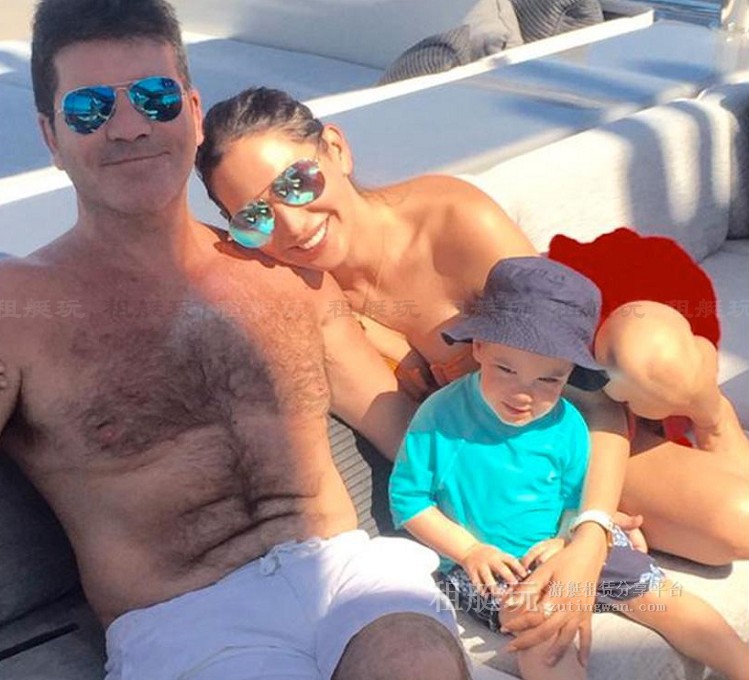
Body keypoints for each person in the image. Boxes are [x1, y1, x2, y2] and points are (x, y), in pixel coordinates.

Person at [0, 2, 475, 679]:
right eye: (89, 109)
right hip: (184, 618)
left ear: (193, 113)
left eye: (156, 98)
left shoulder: (282, 274)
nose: (129, 126)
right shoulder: (19, 309)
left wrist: (560, 529)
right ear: (51, 136)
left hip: (345, 572)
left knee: (414, 660)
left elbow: (403, 432)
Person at [195, 85, 749, 662]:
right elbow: (415, 448)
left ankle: (715, 421)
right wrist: (537, 533)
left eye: (295, 182)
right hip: (524, 462)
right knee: (736, 524)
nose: (291, 224)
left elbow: (590, 396)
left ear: (335, 148)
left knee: (649, 360)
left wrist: (590, 533)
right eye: (255, 216)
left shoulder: (451, 220)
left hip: (589, 394)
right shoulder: (314, 306)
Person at [389, 256, 749, 680]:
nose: (524, 394)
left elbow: (580, 497)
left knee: (667, 600)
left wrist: (568, 540)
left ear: (569, 374)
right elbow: (409, 499)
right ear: (479, 348)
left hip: (567, 546)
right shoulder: (441, 418)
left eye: (549, 380)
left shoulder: (568, 426)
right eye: (506, 369)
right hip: (496, 566)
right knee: (541, 634)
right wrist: (468, 550)